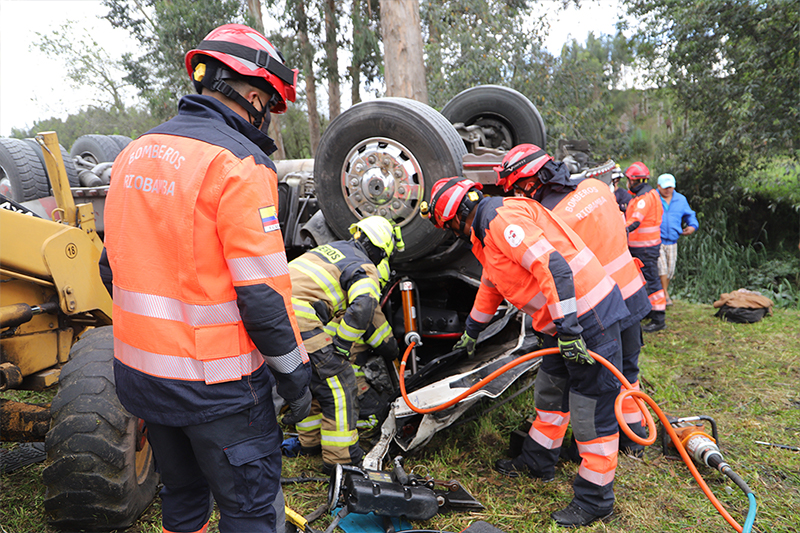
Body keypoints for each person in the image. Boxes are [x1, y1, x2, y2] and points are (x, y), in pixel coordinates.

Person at [103, 24, 311, 533]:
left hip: (142, 379)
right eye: (271, 105)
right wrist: (296, 378)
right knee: (251, 510)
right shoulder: (240, 165)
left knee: (184, 496)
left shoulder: (134, 153)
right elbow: (261, 296)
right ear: (256, 96)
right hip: (218, 392)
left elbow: (112, 267)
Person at [421, 177, 628, 528]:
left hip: (587, 320)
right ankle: (537, 462)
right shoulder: (484, 234)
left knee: (590, 411)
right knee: (550, 395)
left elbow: (555, 268)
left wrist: (569, 329)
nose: (450, 232)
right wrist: (472, 330)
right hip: (560, 325)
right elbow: (492, 283)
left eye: (446, 227)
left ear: (454, 219)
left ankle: (596, 500)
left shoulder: (502, 221)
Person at [495, 145, 651, 457]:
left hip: (598, 308)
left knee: (594, 382)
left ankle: (589, 447)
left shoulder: (550, 218)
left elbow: (554, 270)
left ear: (532, 180)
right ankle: (635, 437)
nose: (519, 196)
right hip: (632, 291)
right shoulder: (596, 187)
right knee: (627, 373)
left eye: (518, 188)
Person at [288, 216, 403, 474]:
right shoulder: (363, 266)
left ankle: (309, 443)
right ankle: (342, 459)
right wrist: (341, 346)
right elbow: (364, 307)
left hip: (272, 311)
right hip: (299, 317)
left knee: (311, 381)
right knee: (340, 383)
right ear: (378, 249)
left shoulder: (337, 249)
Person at [624, 162, 667, 332]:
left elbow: (635, 221)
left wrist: (619, 230)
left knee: (651, 280)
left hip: (645, 248)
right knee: (646, 280)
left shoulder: (644, 198)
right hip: (644, 247)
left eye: (628, 180)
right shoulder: (647, 195)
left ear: (635, 181)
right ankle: (650, 311)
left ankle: (658, 318)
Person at [656, 173, 698, 306]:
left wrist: (692, 226)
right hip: (657, 240)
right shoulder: (653, 198)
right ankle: (665, 295)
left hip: (673, 240)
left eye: (670, 187)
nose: (668, 190)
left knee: (669, 270)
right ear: (658, 186)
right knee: (661, 268)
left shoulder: (680, 199)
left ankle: (663, 293)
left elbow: (689, 215)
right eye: (665, 187)